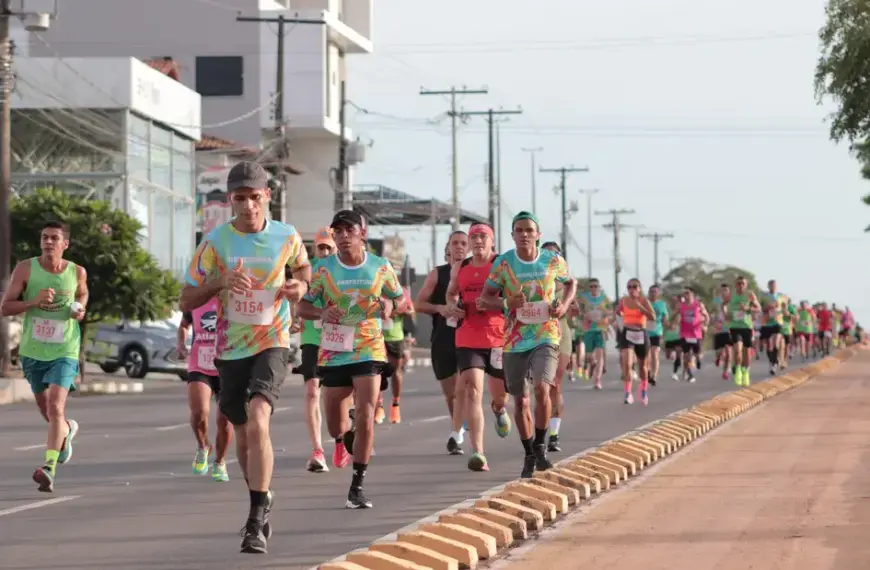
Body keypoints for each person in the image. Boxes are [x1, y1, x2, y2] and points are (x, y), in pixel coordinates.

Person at [179, 161, 311, 554]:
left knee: (258, 417)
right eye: (241, 198)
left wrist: (299, 286)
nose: (249, 206)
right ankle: (261, 495)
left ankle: (255, 520)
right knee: (240, 431)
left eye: (255, 197)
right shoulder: (215, 242)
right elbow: (185, 298)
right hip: (230, 347)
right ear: (230, 200)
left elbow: (304, 268)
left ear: (267, 196)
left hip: (272, 340)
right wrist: (219, 281)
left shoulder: (286, 236)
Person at [297, 210, 408, 509]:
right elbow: (303, 307)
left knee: (366, 413)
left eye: (349, 230)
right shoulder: (323, 270)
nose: (343, 236)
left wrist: (389, 304)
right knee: (335, 422)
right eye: (338, 231)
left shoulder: (380, 266)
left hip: (369, 347)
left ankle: (357, 486)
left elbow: (403, 299)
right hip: (334, 350)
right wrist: (321, 312)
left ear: (362, 233)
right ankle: (341, 440)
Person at [481, 211, 575, 478]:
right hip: (513, 339)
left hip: (546, 334)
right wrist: (505, 303)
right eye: (519, 230)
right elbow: (486, 297)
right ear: (512, 235)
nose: (524, 234)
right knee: (520, 401)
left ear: (538, 235)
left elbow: (570, 283)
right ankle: (529, 453)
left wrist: (564, 305)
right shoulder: (503, 263)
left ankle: (542, 446)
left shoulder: (553, 260)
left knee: (543, 388)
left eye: (528, 230)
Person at [0, 221, 87, 493]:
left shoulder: (77, 272)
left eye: (54, 238)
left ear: (65, 244)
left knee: (55, 407)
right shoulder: (26, 269)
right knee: (45, 409)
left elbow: (83, 294)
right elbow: (5, 307)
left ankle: (49, 468)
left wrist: (79, 310)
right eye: (44, 238)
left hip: (65, 350)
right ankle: (66, 431)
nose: (48, 242)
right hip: (33, 351)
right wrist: (33, 302)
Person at [445, 223, 511, 472]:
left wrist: (494, 304)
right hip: (468, 337)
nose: (478, 241)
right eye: (474, 237)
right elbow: (451, 294)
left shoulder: (502, 265)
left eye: (483, 237)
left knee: (499, 395)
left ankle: (499, 409)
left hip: (498, 338)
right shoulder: (459, 267)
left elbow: (515, 299)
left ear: (492, 241)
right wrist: (451, 305)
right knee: (473, 391)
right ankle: (478, 452)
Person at [414, 231, 469, 455]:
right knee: (450, 393)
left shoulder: (475, 272)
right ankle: (458, 423)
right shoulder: (438, 274)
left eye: (463, 243)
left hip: (469, 335)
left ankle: (456, 433)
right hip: (443, 336)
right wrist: (440, 308)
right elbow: (418, 304)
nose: (459, 247)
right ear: (447, 248)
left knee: (463, 386)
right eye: (455, 243)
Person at [177, 296, 234, 481]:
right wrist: (181, 344)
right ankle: (203, 447)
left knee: (224, 420)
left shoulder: (232, 299)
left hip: (227, 365)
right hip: (199, 364)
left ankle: (220, 461)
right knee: (199, 411)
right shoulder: (197, 298)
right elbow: (184, 325)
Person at [295, 227, 337, 471]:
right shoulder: (307, 269)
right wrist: (293, 317)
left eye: (328, 247)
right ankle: (318, 450)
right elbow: (296, 297)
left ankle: (344, 437)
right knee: (312, 392)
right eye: (320, 247)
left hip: (339, 339)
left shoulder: (342, 270)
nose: (324, 251)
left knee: (338, 396)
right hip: (312, 337)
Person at [541, 242, 572, 452]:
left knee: (555, 384)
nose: (551, 256)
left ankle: (554, 434)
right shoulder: (535, 280)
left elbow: (572, 306)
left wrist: (567, 306)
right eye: (547, 253)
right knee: (542, 387)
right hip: (539, 336)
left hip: (561, 335)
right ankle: (540, 430)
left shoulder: (566, 283)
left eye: (555, 253)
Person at [380, 265, 415, 425]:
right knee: (375, 372)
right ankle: (379, 405)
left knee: (396, 372)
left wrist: (396, 311)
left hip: (395, 336)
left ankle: (395, 404)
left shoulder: (400, 291)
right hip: (376, 336)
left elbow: (411, 310)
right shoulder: (374, 287)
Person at [614, 278, 656, 405]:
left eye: (635, 286)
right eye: (629, 287)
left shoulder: (644, 301)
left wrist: (641, 308)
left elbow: (653, 317)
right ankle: (628, 393)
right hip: (628, 332)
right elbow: (618, 311)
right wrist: (618, 317)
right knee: (627, 363)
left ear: (639, 288)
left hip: (641, 333)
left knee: (643, 367)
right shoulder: (624, 300)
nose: (632, 289)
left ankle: (643, 391)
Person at [725, 275, 761, 386]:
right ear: (735, 285)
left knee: (746, 352)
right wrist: (727, 314)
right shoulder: (731, 295)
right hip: (735, 327)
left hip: (747, 327)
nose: (740, 286)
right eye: (738, 283)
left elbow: (759, 308)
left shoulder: (750, 295)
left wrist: (747, 309)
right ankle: (739, 371)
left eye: (742, 283)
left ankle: (746, 372)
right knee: (737, 350)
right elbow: (723, 304)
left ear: (746, 285)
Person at [577, 278, 611, 390]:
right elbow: (579, 311)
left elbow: (611, 311)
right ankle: (592, 363)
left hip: (601, 329)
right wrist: (585, 316)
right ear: (588, 288)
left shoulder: (604, 298)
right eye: (591, 286)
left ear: (599, 287)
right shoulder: (584, 298)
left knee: (600, 353)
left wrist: (604, 314)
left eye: (596, 286)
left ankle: (597, 380)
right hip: (588, 329)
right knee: (588, 356)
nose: (594, 288)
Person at [676, 287, 709, 383]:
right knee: (686, 356)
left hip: (696, 333)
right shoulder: (681, 306)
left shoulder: (698, 304)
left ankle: (698, 360)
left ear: (692, 295)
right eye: (684, 293)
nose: (686, 295)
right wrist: (672, 322)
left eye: (688, 293)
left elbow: (706, 316)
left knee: (697, 354)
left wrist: (705, 325)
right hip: (685, 333)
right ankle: (690, 374)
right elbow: (675, 315)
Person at [645, 284, 669, 385]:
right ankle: (648, 371)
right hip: (645, 332)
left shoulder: (661, 304)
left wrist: (666, 324)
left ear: (658, 293)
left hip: (657, 331)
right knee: (647, 355)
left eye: (655, 292)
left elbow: (665, 317)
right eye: (651, 292)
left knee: (655, 353)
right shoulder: (644, 303)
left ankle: (654, 375)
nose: (653, 294)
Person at [711, 283, 732, 380]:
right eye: (722, 290)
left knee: (728, 351)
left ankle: (725, 371)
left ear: (729, 292)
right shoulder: (716, 301)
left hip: (728, 329)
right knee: (718, 351)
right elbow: (711, 314)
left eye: (726, 290)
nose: (724, 292)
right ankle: (718, 357)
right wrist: (714, 322)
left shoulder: (732, 302)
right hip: (718, 329)